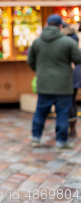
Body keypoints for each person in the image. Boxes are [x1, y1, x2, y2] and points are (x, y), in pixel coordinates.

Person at [28, 14, 81, 151]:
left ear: (47, 25)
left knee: (40, 112)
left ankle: (36, 138)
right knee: (62, 113)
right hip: (63, 85)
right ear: (60, 26)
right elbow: (78, 59)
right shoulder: (68, 42)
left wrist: (39, 71)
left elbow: (31, 61)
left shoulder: (37, 42)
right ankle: (61, 142)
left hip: (44, 83)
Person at [62, 23, 81, 138]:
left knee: (67, 101)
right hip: (76, 74)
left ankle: (68, 128)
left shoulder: (64, 41)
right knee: (72, 100)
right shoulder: (75, 38)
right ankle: (72, 127)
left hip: (68, 74)